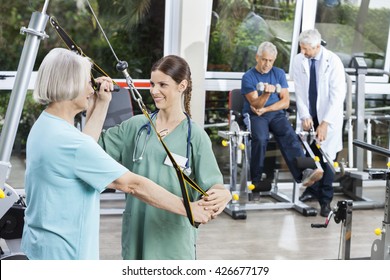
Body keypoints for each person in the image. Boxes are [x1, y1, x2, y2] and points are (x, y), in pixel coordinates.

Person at [21, 48, 214, 260]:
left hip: (41, 245)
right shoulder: (71, 141)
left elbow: (86, 148)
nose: (91, 88)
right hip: (63, 253)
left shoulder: (45, 127)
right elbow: (132, 184)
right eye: (88, 81)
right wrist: (188, 209)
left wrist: (101, 104)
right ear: (71, 84)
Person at [92, 55, 231, 260]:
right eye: (152, 84)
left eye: (162, 85)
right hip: (138, 234)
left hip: (174, 240)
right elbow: (89, 148)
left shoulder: (196, 136)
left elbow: (213, 186)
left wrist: (223, 195)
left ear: (181, 86)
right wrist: (99, 103)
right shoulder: (135, 126)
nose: (154, 91)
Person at [241, 41, 323, 196]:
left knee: (290, 135)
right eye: (264, 59)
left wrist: (267, 108)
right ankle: (256, 181)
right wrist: (266, 94)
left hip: (274, 114)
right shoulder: (248, 77)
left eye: (270, 61)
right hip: (255, 116)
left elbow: (285, 102)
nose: (267, 64)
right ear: (257, 57)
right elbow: (256, 105)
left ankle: (304, 173)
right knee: (261, 138)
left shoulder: (278, 73)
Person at [292, 29, 346, 217]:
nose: (303, 52)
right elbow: (299, 90)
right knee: (309, 153)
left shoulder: (333, 62)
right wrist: (305, 115)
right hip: (310, 115)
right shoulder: (299, 61)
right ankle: (311, 191)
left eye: (306, 49)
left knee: (327, 158)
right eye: (302, 48)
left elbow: (338, 96)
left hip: (327, 116)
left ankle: (325, 201)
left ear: (316, 47)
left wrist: (325, 123)